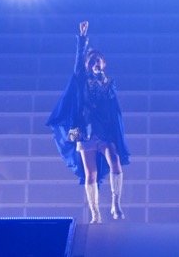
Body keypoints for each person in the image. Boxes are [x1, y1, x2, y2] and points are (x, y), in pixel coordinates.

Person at [46, 21, 130, 222]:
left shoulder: (109, 84)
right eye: (91, 61)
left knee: (115, 162)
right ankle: (95, 213)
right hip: (84, 131)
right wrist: (82, 39)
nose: (95, 64)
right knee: (90, 173)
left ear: (104, 63)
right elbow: (78, 63)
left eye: (98, 61)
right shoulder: (81, 79)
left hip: (105, 132)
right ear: (87, 64)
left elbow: (114, 112)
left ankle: (116, 204)